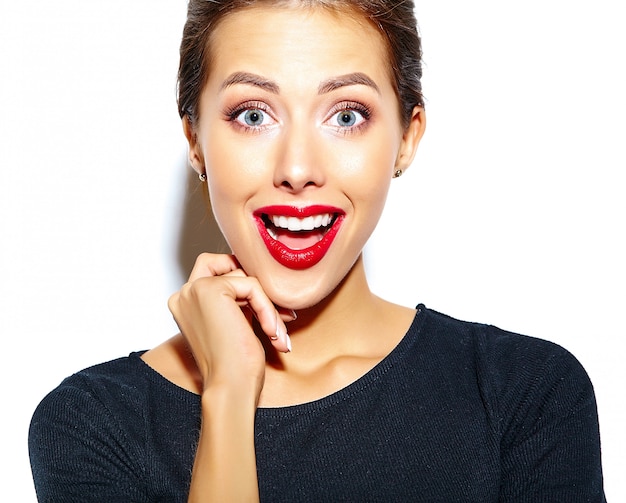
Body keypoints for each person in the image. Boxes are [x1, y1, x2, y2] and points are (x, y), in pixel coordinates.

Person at [28, 0, 606, 501]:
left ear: (407, 138)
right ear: (195, 142)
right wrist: (229, 393)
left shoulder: (525, 395)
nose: (298, 170)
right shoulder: (92, 425)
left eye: (347, 115)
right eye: (252, 115)